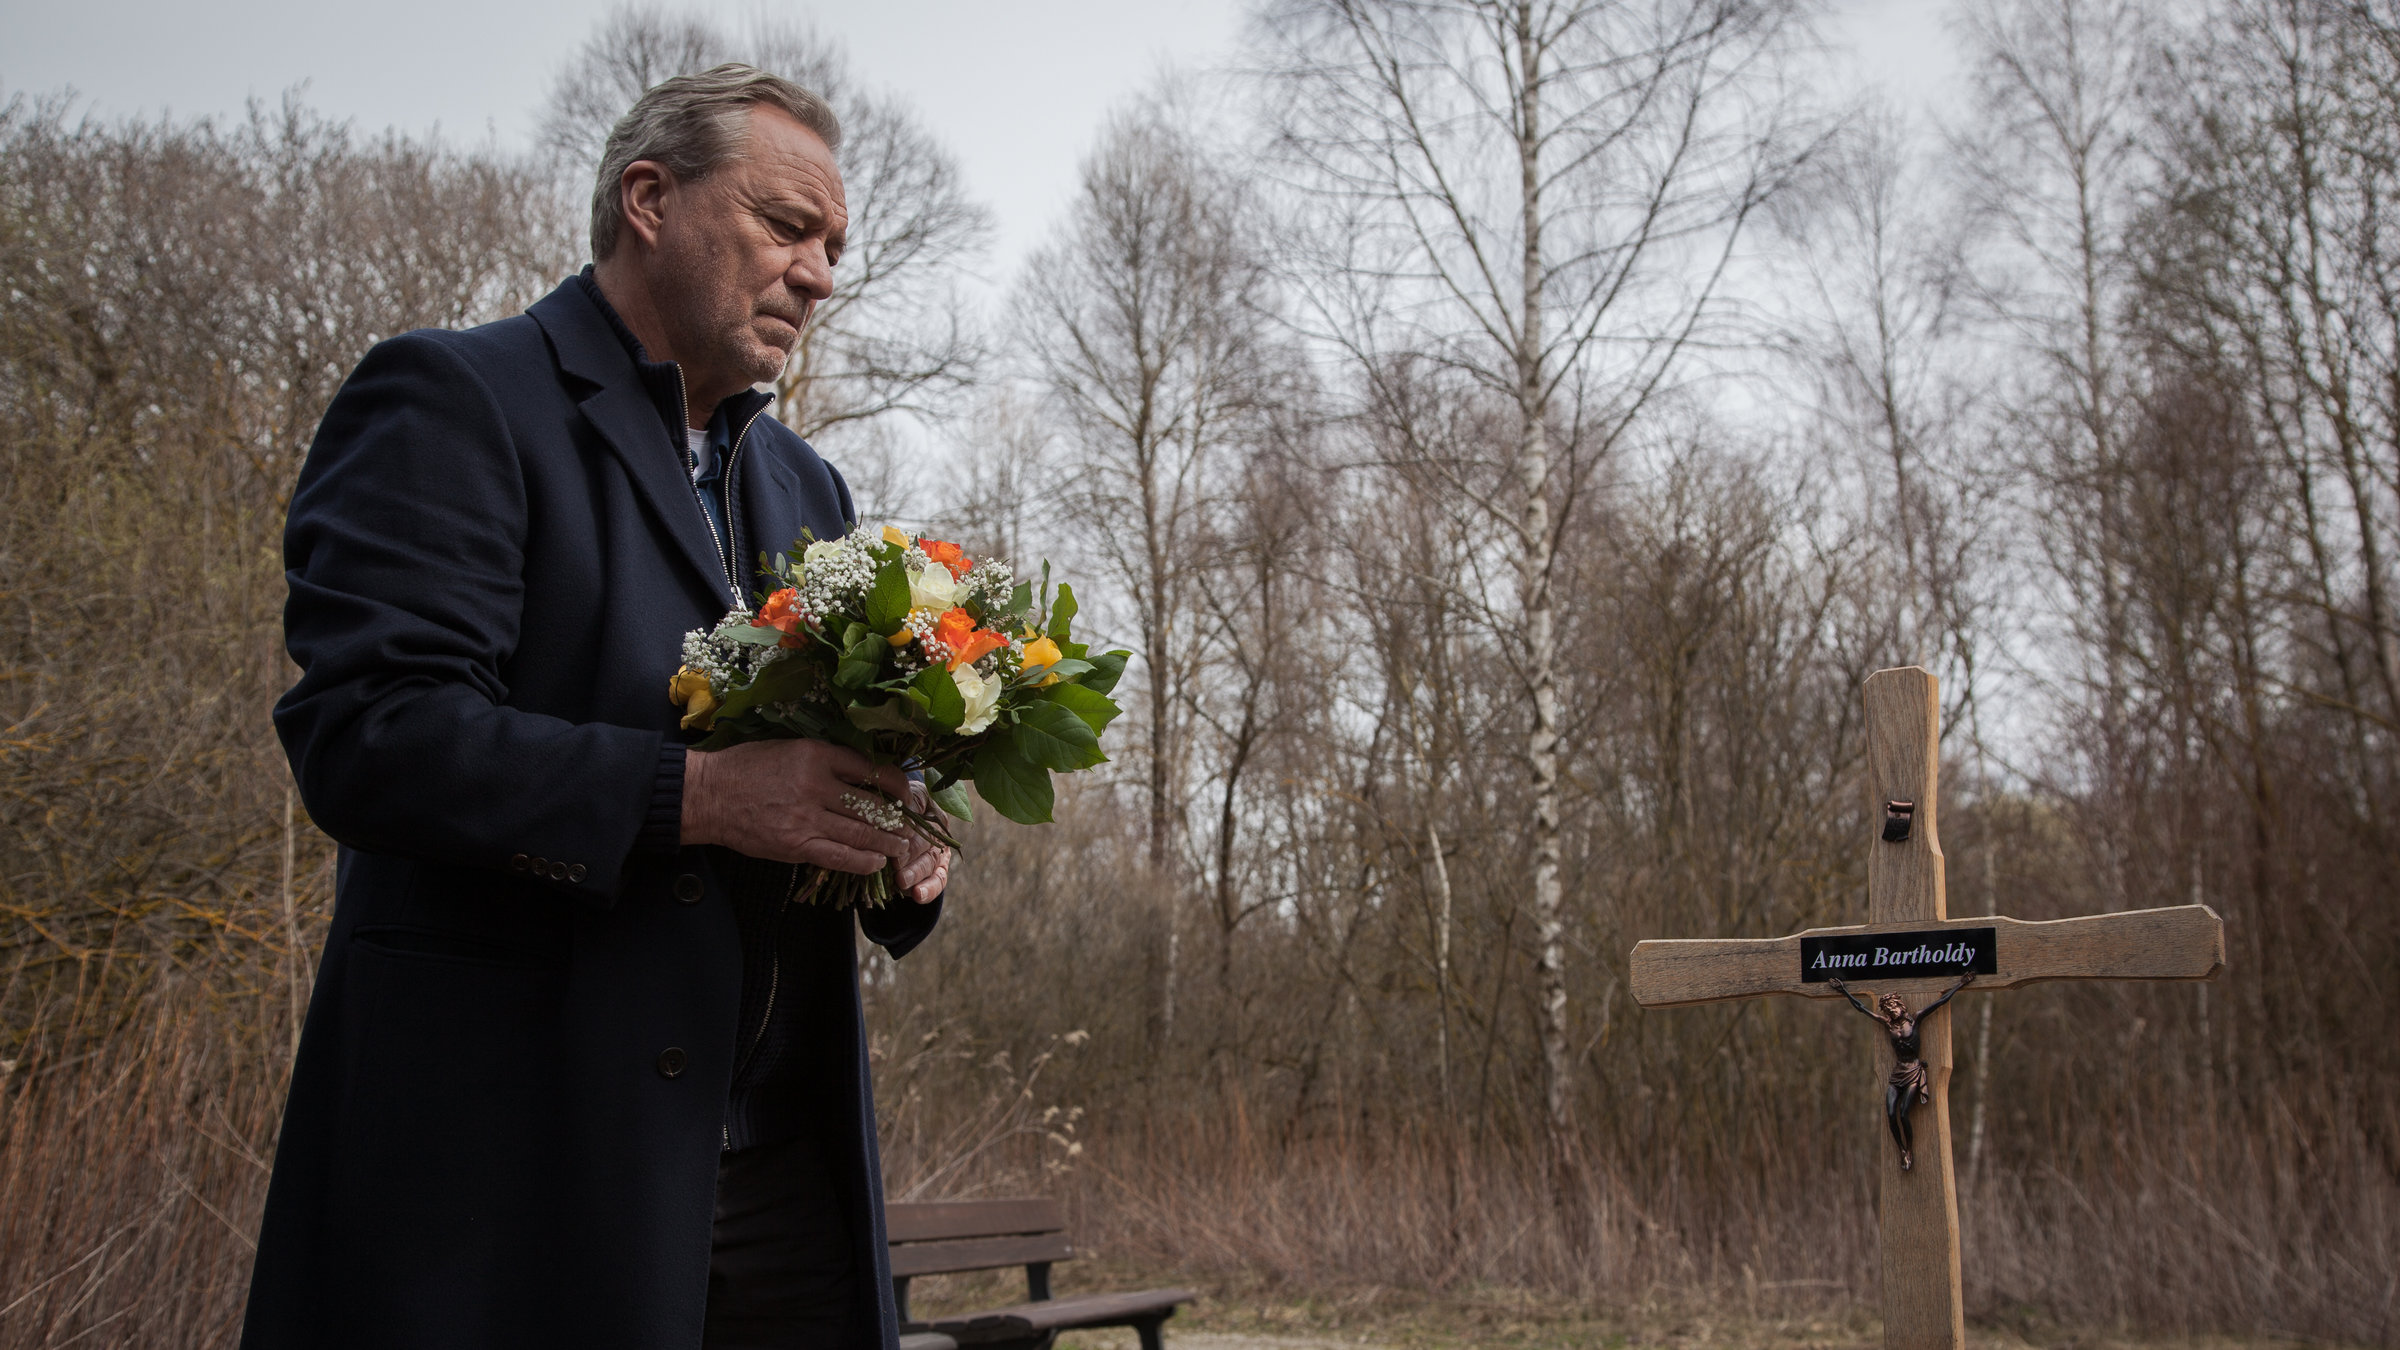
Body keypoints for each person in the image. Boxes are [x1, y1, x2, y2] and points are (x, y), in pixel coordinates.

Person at [240, 65, 947, 1350]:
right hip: (523, 1173)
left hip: (786, 1173)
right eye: (787, 227)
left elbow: (806, 798)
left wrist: (896, 843)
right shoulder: (454, 398)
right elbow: (373, 736)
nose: (819, 277)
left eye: (835, 249)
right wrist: (703, 797)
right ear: (649, 200)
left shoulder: (811, 491)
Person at [1829, 971, 1973, 1171]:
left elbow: (1941, 1002)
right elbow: (1861, 1008)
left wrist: (1960, 984)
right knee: (1890, 1113)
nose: (1891, 1011)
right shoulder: (1888, 1025)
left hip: (1913, 1071)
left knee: (1904, 1113)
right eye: (1888, 1009)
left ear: (1899, 1005)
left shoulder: (1915, 1019)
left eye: (1893, 1007)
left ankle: (1910, 1149)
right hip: (1897, 1073)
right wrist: (1844, 991)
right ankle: (1902, 1150)